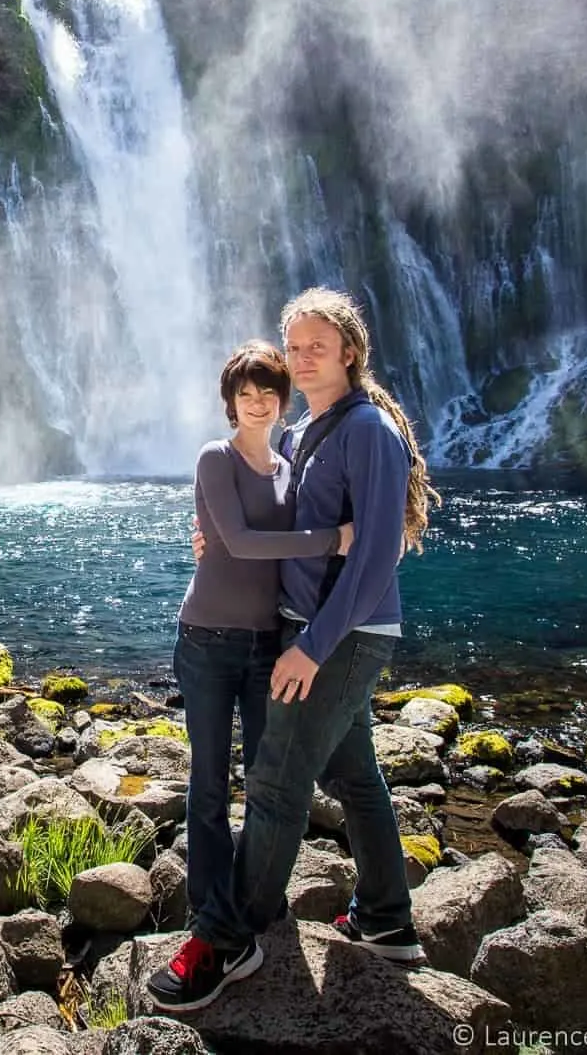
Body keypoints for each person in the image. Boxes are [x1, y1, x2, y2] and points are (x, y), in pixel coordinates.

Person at [148, 288, 441, 1012]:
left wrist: (311, 644)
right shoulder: (309, 429)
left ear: (350, 350)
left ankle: (228, 936)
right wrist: (216, 544)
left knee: (275, 782)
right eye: (295, 345)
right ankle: (385, 917)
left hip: (337, 636)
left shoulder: (366, 429)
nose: (304, 356)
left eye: (318, 344)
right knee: (354, 773)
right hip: (317, 629)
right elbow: (272, 524)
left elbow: (375, 556)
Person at [176, 341, 351, 962]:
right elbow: (245, 544)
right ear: (231, 402)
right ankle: (207, 904)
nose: (257, 403)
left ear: (282, 400)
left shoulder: (288, 466)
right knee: (209, 778)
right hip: (205, 641)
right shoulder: (214, 458)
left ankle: (255, 897)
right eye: (245, 394)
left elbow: (275, 555)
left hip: (264, 645)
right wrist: (335, 539)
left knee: (264, 775)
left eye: (267, 392)